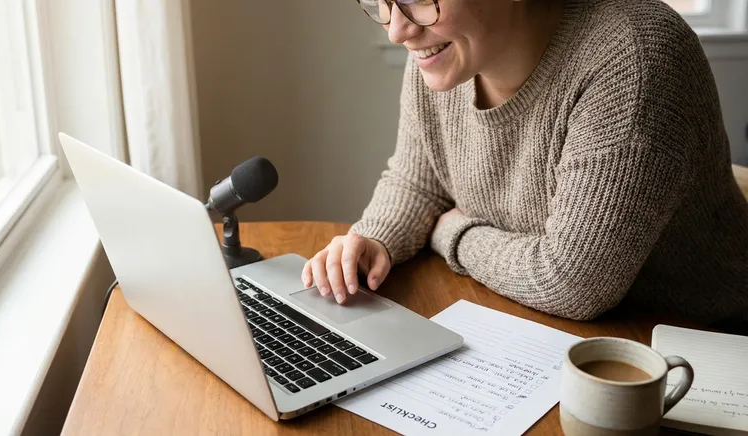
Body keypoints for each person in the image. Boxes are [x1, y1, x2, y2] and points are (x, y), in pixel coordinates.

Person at [301, 0, 748, 330]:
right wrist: (375, 238)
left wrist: (452, 234)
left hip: (692, 349)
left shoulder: (634, 56)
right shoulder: (443, 52)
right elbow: (418, 182)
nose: (396, 30)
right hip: (538, 326)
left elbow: (571, 282)